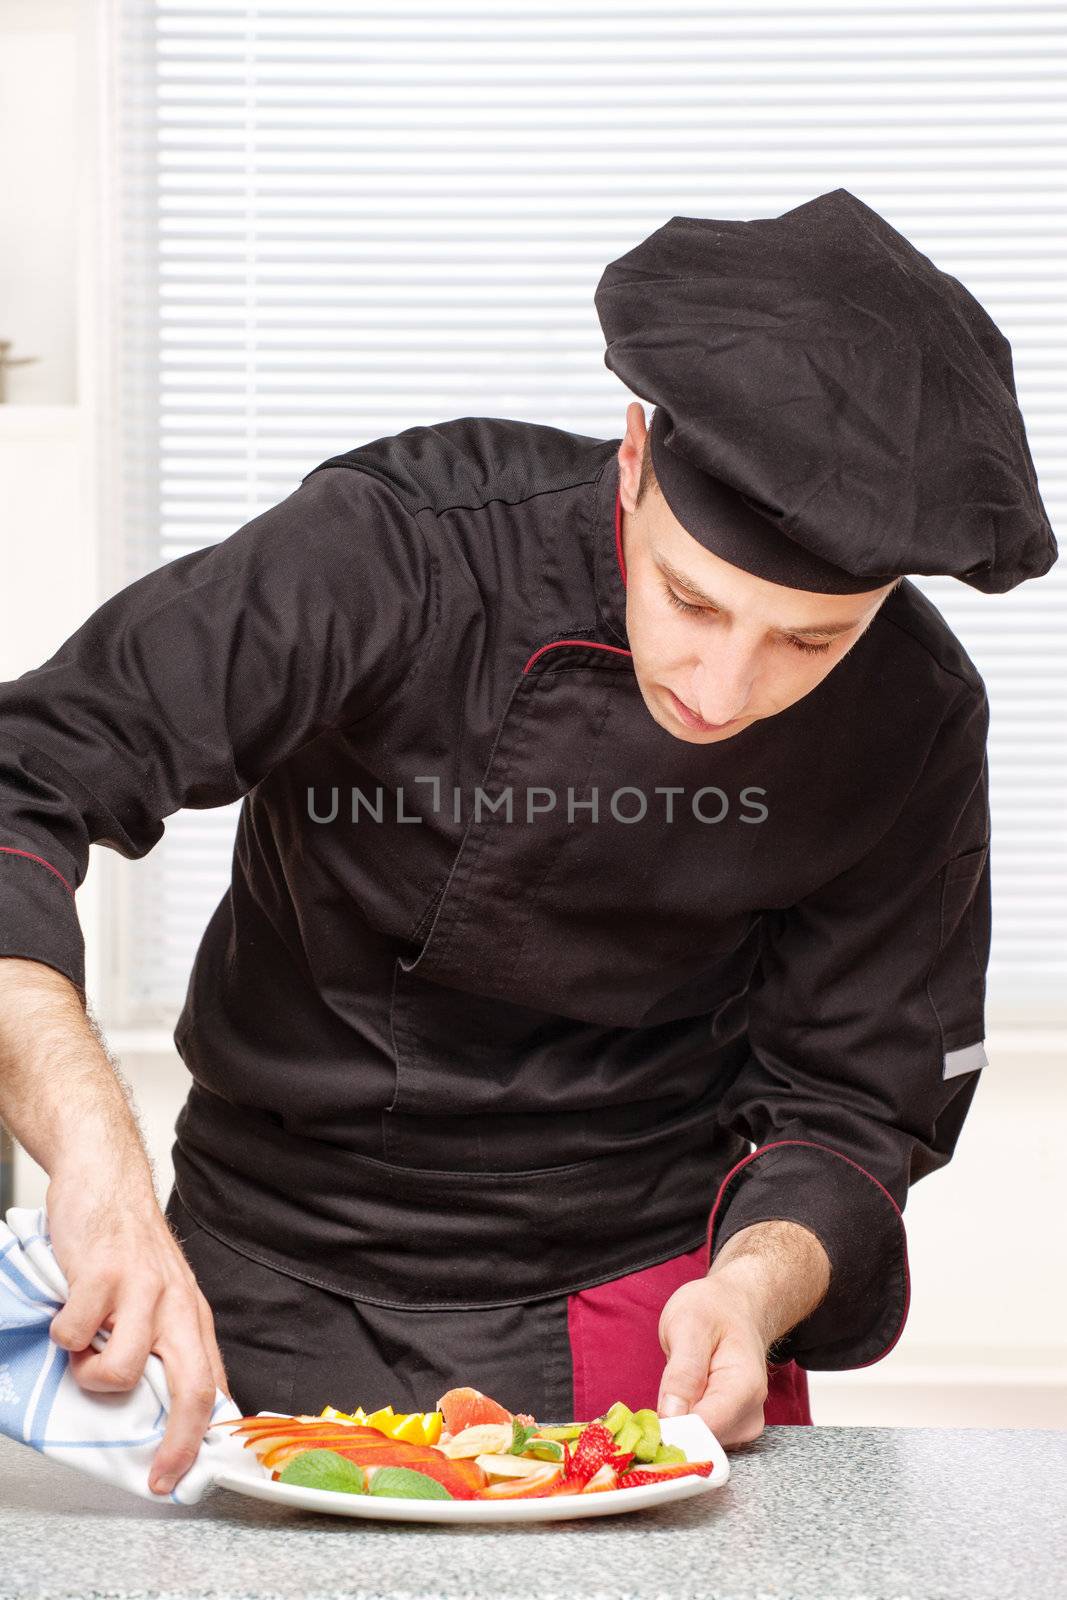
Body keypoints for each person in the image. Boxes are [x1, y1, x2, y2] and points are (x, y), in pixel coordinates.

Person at [0, 189, 1055, 1497]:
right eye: (691, 601)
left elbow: (859, 1104)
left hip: (649, 1310)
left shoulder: (915, 717)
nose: (724, 693)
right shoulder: (393, 555)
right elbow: (22, 780)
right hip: (259, 1282)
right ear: (632, 460)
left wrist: (752, 1288)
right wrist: (94, 1163)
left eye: (809, 643)